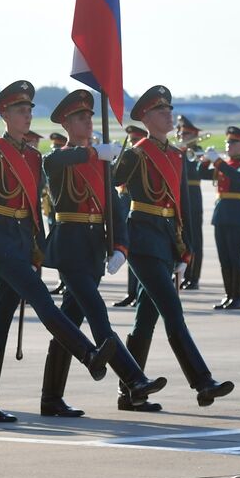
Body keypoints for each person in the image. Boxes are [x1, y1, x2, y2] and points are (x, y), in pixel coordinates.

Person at [0, 81, 115, 423]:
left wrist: (37, 246)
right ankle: (88, 354)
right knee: (42, 299)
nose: (28, 115)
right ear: (5, 115)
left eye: (30, 110)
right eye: (21, 110)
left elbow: (35, 207)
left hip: (20, 242)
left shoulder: (33, 156)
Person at [40, 90, 167, 415]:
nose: (88, 120)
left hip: (94, 249)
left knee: (68, 325)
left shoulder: (101, 160)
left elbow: (114, 205)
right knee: (99, 318)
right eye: (81, 117)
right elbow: (52, 162)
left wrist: (120, 247)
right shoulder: (62, 157)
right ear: (67, 123)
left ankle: (51, 398)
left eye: (90, 116)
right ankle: (135, 381)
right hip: (69, 247)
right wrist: (95, 153)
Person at [114, 86, 234, 410]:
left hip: (166, 239)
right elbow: (112, 187)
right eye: (161, 111)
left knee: (145, 318)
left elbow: (183, 207)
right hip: (141, 239)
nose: (169, 115)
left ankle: (130, 391)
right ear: (146, 118)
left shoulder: (176, 155)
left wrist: (186, 250)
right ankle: (202, 381)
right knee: (172, 311)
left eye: (169, 109)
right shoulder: (136, 153)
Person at [198, 126, 240, 310]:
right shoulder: (226, 164)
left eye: (233, 141)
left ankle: (237, 297)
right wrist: (206, 161)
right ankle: (229, 294)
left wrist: (219, 162)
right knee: (224, 258)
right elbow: (201, 173)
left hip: (236, 214)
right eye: (228, 141)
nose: (228, 144)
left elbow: (238, 179)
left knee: (235, 257)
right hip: (221, 214)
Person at [112, 123, 146, 307]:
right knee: (129, 254)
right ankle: (131, 293)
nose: (132, 144)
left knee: (139, 257)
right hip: (125, 207)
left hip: (137, 209)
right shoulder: (130, 158)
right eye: (131, 140)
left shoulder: (142, 158)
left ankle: (139, 293)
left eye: (135, 140)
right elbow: (114, 179)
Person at [176, 117, 204, 291]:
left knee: (194, 238)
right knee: (182, 236)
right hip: (180, 196)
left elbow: (196, 171)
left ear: (194, 134)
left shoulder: (197, 151)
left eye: (185, 133)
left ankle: (194, 277)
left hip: (193, 196)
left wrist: (184, 154)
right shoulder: (178, 150)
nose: (181, 135)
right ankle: (184, 273)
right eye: (179, 132)